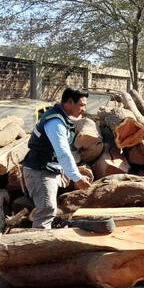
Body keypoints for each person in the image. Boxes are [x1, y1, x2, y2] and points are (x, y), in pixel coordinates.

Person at [22, 88, 92, 229]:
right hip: (40, 171)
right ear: (69, 102)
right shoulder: (55, 122)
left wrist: (63, 170)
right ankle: (37, 246)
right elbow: (62, 151)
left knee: (48, 210)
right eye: (81, 105)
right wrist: (76, 177)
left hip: (45, 169)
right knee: (46, 210)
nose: (84, 109)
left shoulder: (61, 118)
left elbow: (56, 151)